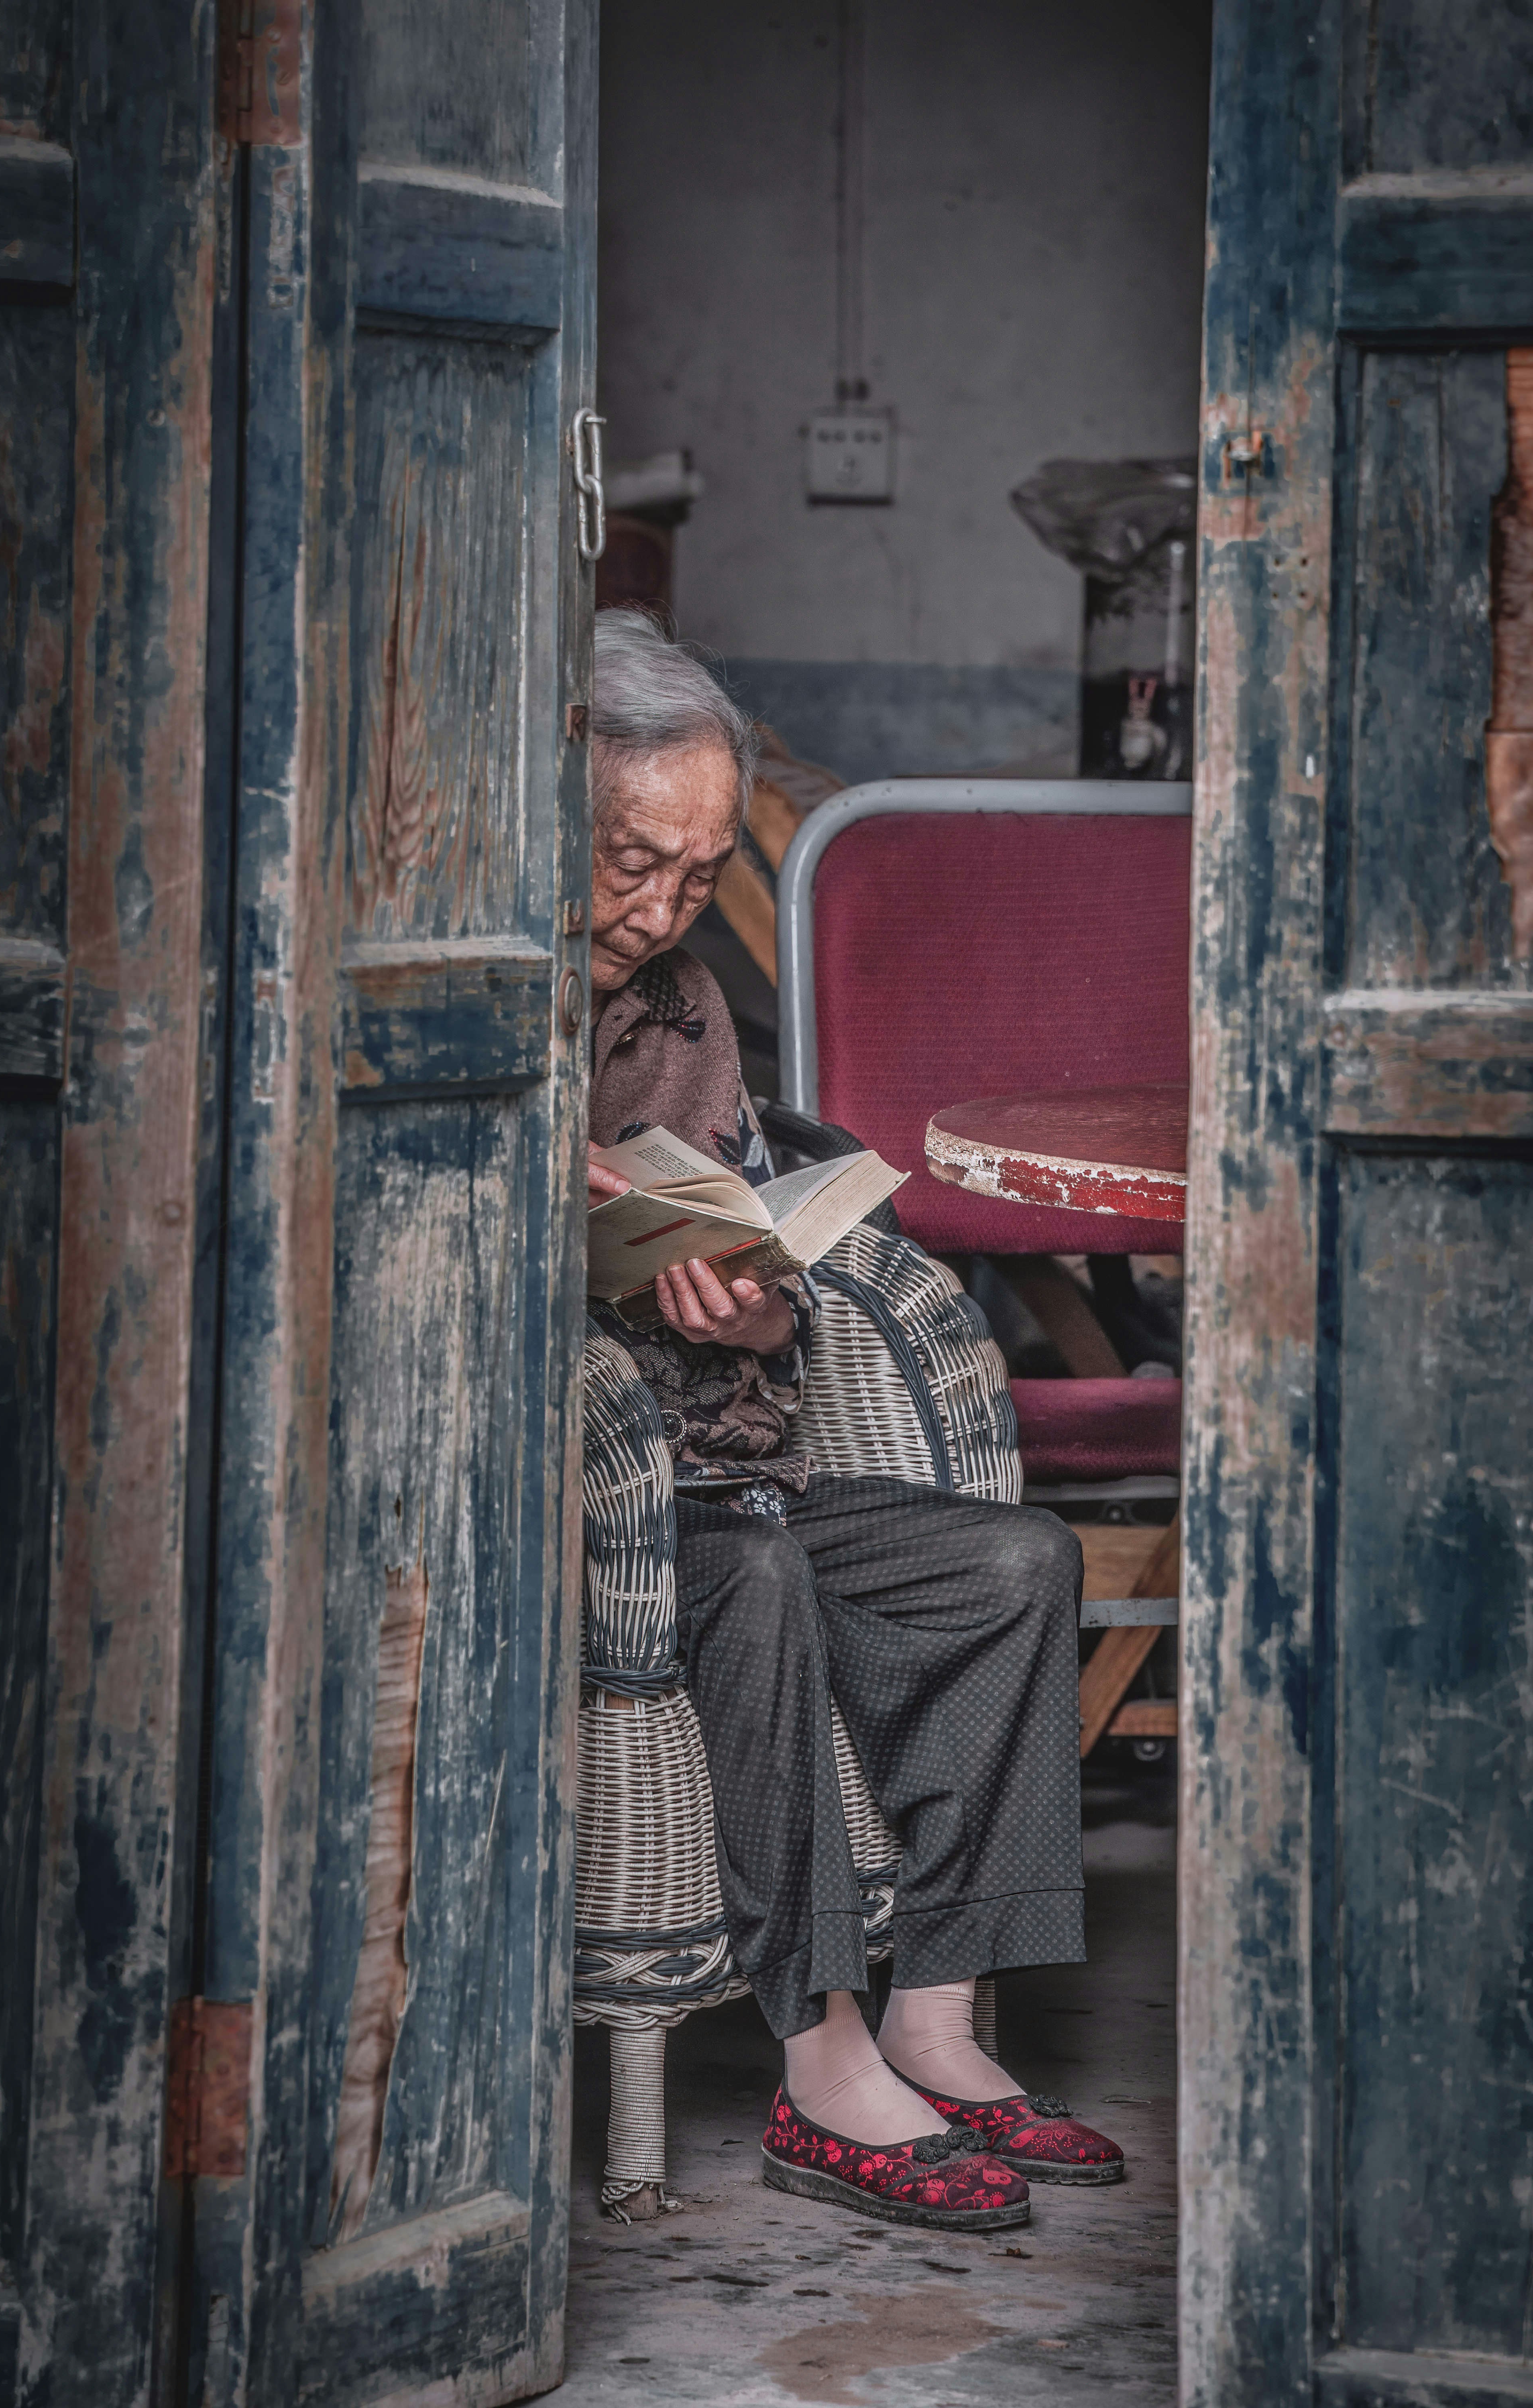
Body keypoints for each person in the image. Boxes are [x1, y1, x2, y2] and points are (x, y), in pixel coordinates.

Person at [585, 608, 1123, 2229]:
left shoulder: (680, 1007)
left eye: (694, 873)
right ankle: (820, 2065)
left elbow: (733, 1225)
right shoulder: (471, 990)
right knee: (749, 1579)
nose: (663, 907)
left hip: (738, 1458)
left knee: (1015, 1564)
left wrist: (758, 1303)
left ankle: (936, 2022)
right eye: (629, 864)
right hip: (592, 1510)